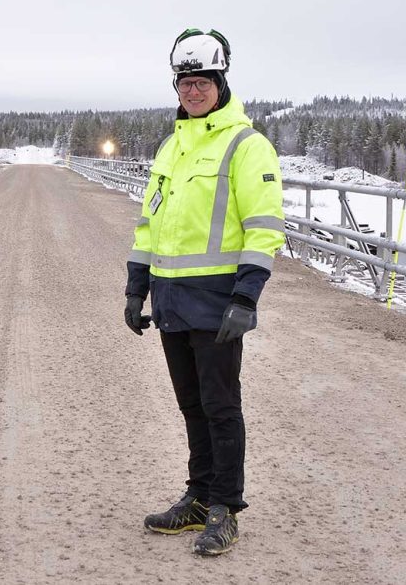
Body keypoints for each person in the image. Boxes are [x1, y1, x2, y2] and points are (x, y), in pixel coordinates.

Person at [125, 28, 284, 556]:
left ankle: (224, 507)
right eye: (184, 82)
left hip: (218, 301)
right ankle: (197, 496)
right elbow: (150, 224)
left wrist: (246, 297)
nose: (193, 91)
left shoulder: (246, 144)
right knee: (191, 405)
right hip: (170, 300)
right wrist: (135, 288)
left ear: (221, 82)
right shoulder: (171, 147)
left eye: (202, 81)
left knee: (221, 406)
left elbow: (264, 228)